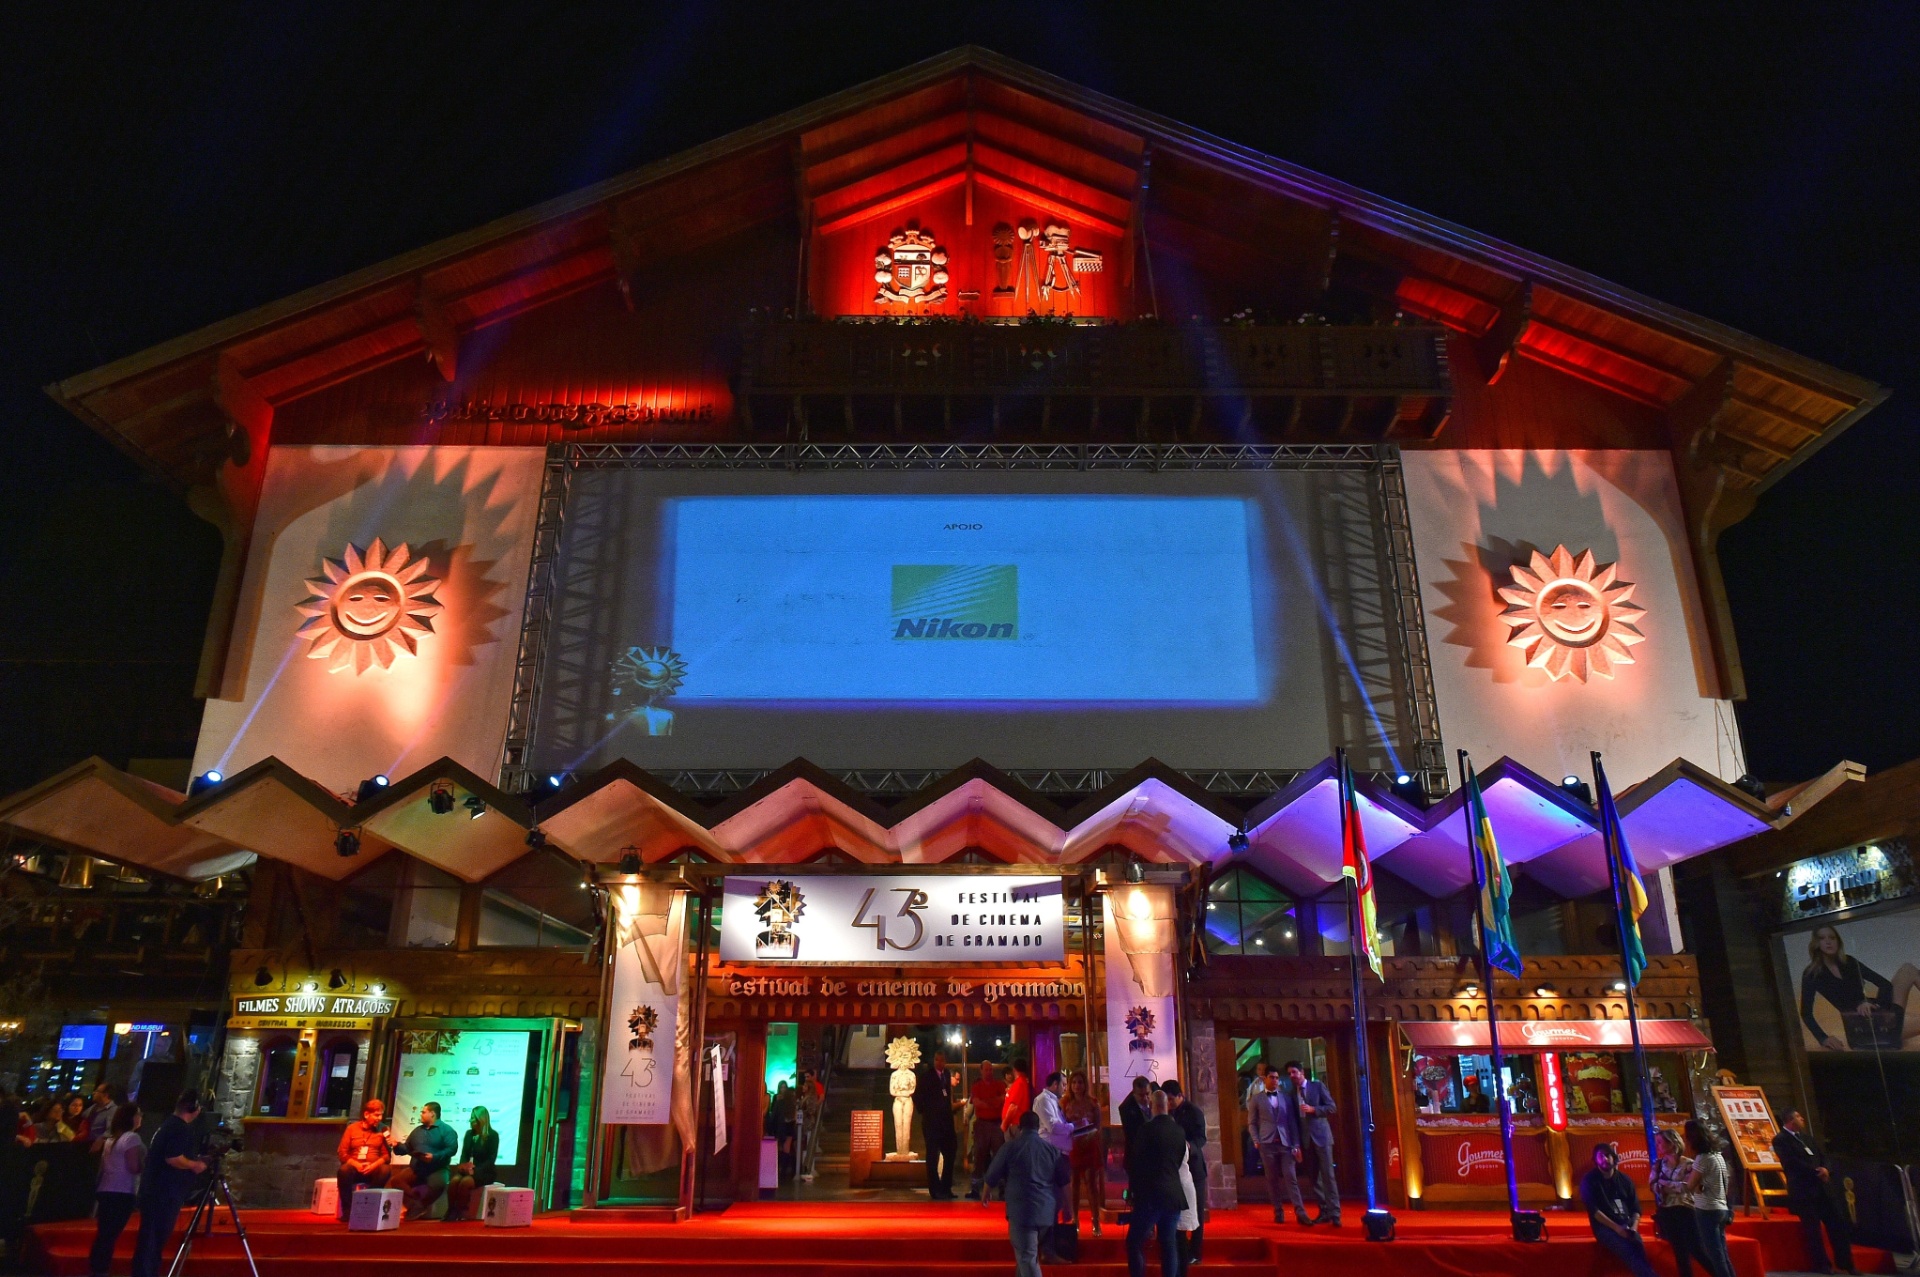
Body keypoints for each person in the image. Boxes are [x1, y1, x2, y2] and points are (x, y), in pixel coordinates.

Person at [1800, 924, 1919, 1051]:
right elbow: (1806, 1013)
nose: (1828, 941)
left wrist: (1871, 1003)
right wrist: (1823, 1038)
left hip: (1877, 1012)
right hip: (1862, 1028)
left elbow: (1885, 984)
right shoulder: (1812, 974)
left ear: (1838, 941)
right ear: (1816, 943)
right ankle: (1891, 1027)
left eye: (1832, 938)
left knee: (1908, 969)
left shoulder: (1849, 962)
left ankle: (1889, 1019)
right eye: (1822, 938)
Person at [985, 1110, 1071, 1277]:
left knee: (1027, 1256)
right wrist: (1068, 1208)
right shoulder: (1051, 1150)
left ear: (1019, 1127)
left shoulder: (1010, 1147)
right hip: (1047, 1212)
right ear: (1038, 1127)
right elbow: (1064, 1182)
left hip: (1022, 1211)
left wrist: (986, 1192)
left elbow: (992, 1173)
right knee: (1025, 1255)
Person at [130, 1090, 207, 1277]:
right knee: (154, 1238)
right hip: (164, 1193)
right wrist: (195, 1164)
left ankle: (146, 1272)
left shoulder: (168, 1125)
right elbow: (173, 1158)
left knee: (150, 1238)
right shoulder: (180, 1128)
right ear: (194, 1108)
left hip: (156, 1191)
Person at [1773, 1108, 1859, 1274]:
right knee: (1813, 1231)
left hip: (1823, 1189)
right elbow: (1791, 1163)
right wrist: (1816, 1172)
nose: (1802, 1119)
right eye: (1798, 1117)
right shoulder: (1781, 1140)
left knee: (1838, 1225)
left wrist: (1826, 1169)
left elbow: (1822, 1155)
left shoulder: (1807, 1138)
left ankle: (1846, 1263)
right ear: (1790, 1121)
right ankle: (1822, 1265)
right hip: (1804, 1190)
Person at [1127, 1090, 1189, 1277]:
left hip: (1150, 1194)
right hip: (1173, 1193)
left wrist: (1133, 1193)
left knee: (1134, 1242)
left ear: (1153, 1106)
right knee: (1168, 1243)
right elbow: (1179, 1160)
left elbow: (1137, 1163)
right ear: (1167, 1106)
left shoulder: (1146, 1129)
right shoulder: (1179, 1131)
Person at [1582, 1142, 1655, 1277]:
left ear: (1613, 1157)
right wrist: (1617, 1229)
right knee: (1626, 1249)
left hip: (1626, 1223)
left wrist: (1633, 1227)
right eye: (1600, 1156)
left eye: (1607, 1155)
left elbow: (1636, 1209)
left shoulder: (1625, 1180)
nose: (1604, 1159)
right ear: (1595, 1159)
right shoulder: (1589, 1180)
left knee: (1638, 1245)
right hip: (1604, 1227)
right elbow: (1595, 1212)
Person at [1245, 1067, 1307, 1225]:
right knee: (1272, 1179)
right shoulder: (1256, 1099)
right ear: (1265, 1078)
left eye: (1277, 1078)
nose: (1275, 1080)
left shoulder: (1286, 1098)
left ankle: (1300, 1212)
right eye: (1272, 1077)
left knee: (1290, 1176)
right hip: (1267, 1143)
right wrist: (1256, 1140)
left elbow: (1292, 1122)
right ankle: (1278, 1212)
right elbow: (1251, 1122)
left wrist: (1296, 1143)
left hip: (1286, 1143)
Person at [89, 1103, 144, 1277]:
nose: (141, 1117)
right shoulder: (131, 1138)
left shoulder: (111, 1139)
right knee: (111, 1234)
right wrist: (147, 1166)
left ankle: (97, 1267)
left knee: (104, 1232)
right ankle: (101, 1268)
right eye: (139, 1114)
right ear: (132, 1118)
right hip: (122, 1191)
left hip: (106, 1188)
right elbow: (133, 1167)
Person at [1286, 1061, 1340, 1226]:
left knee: (1328, 1176)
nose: (1292, 1076)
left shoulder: (1317, 1086)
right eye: (1289, 1074)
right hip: (1306, 1141)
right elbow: (1294, 1121)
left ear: (1302, 1072)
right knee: (1314, 1178)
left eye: (1294, 1072)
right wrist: (1296, 1145)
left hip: (1322, 1138)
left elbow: (1332, 1107)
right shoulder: (1291, 1093)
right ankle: (1324, 1211)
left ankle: (1335, 1214)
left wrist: (1314, 1109)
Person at [388, 1102, 460, 1221]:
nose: (421, 1114)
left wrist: (434, 1157)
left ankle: (420, 1206)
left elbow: (451, 1149)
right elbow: (407, 1148)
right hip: (417, 1168)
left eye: (423, 1112)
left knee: (439, 1184)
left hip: (437, 1169)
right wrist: (396, 1145)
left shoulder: (447, 1130)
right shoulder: (417, 1131)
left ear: (432, 1114)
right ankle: (415, 1204)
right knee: (396, 1181)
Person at [1162, 1079, 1206, 1264]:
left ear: (1180, 1095)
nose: (1169, 1104)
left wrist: (1189, 1146)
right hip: (1174, 1170)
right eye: (1167, 1100)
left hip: (1194, 1168)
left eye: (1172, 1099)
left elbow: (1201, 1138)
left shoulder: (1194, 1112)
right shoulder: (1167, 1114)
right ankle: (1178, 1249)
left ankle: (1195, 1252)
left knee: (1196, 1212)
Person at [1685, 1118, 1736, 1277]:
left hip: (1707, 1209)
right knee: (1723, 1255)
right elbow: (1724, 1181)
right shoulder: (1717, 1155)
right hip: (1721, 1207)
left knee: (1716, 1257)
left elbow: (1690, 1185)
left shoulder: (1702, 1158)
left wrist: (1691, 1181)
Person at [1650, 1128, 1703, 1277]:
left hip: (1686, 1209)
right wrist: (1668, 1186)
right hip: (1667, 1210)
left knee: (1697, 1249)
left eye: (1660, 1142)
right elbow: (1653, 1186)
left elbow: (1688, 1187)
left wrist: (1665, 1184)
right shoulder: (1659, 1165)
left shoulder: (1689, 1164)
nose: (1657, 1146)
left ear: (1672, 1143)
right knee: (1680, 1251)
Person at [1061, 1071, 1105, 1237]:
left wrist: (1090, 1136)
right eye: (1074, 1083)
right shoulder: (1065, 1103)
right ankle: (1075, 1220)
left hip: (1089, 1145)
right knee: (1074, 1186)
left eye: (1080, 1082)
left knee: (1092, 1185)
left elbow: (1098, 1126)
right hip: (1073, 1147)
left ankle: (1095, 1220)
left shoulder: (1093, 1103)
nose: (1077, 1086)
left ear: (1085, 1084)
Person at [336, 1098, 392, 1222]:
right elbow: (342, 1153)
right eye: (376, 1115)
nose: (379, 1118)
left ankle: (368, 1206)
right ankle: (348, 1211)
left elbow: (386, 1156)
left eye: (381, 1115)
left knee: (385, 1170)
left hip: (373, 1170)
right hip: (355, 1168)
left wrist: (373, 1165)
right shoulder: (352, 1128)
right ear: (366, 1114)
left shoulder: (383, 1130)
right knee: (344, 1170)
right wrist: (356, 1164)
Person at [445, 1105, 499, 1221]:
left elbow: (491, 1160)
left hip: (485, 1171)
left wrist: (474, 1171)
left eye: (473, 1118)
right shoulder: (469, 1134)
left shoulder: (493, 1136)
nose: (471, 1120)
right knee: (454, 1181)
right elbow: (464, 1154)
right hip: (470, 1169)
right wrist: (463, 1166)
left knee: (465, 1182)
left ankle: (460, 1211)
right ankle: (451, 1210)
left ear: (481, 1119)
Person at [917, 1050, 958, 1200]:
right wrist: (927, 1112)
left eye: (942, 1060)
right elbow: (918, 1096)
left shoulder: (946, 1075)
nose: (939, 1063)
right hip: (932, 1122)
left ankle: (945, 1187)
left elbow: (946, 1095)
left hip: (946, 1122)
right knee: (932, 1156)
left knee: (950, 1152)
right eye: (937, 1060)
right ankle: (935, 1189)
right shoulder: (927, 1077)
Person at [967, 1060, 1007, 1200]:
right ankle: (975, 1188)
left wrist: (987, 1103)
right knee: (979, 1156)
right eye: (986, 1070)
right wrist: (993, 1102)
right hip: (982, 1124)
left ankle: (1002, 1188)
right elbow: (977, 1102)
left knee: (999, 1156)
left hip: (996, 1124)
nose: (989, 1072)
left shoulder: (1000, 1085)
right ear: (981, 1071)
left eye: (991, 1069)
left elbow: (1003, 1100)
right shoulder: (977, 1086)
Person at [1119, 1075, 1153, 1195]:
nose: (1146, 1098)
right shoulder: (1127, 1109)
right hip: (1137, 1158)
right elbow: (1133, 1135)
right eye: (1141, 1095)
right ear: (1134, 1094)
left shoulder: (1156, 1101)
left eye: (1148, 1094)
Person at [85, 1084, 121, 1155]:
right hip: (84, 1143)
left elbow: (111, 1130)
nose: (94, 1093)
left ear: (105, 1095)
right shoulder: (94, 1106)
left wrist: (101, 1139)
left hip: (96, 1148)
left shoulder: (113, 1111)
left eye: (97, 1091)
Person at [1002, 1060, 1034, 1137]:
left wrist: (1004, 1124)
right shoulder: (1022, 1082)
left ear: (1014, 1069)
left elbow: (1013, 1106)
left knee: (1013, 1148)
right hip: (1017, 1125)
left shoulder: (1019, 1083)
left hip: (1015, 1125)